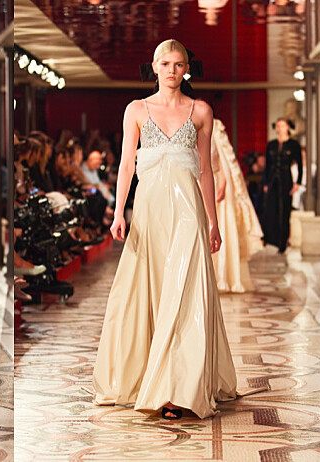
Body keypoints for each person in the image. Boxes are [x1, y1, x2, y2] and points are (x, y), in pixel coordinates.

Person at [92, 39, 238, 420]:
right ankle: (152, 377)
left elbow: (205, 170)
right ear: (154, 66)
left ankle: (176, 390)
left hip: (189, 213)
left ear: (187, 68)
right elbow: (126, 165)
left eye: (178, 64)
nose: (172, 70)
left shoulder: (201, 111)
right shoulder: (136, 110)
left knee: (185, 294)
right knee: (152, 292)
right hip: (149, 213)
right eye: (165, 63)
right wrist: (118, 212)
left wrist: (213, 221)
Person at [210, 118, 263, 292]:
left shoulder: (215, 127)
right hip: (195, 183)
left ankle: (222, 277)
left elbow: (225, 160)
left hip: (216, 182)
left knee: (220, 227)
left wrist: (223, 185)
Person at [261, 117, 302, 253]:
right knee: (271, 208)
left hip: (286, 178)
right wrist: (265, 182)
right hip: (272, 178)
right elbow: (267, 165)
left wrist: (297, 182)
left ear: (288, 127)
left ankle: (283, 241)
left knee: (285, 209)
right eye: (278, 126)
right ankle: (270, 239)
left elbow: (300, 164)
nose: (280, 128)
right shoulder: (271, 144)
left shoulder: (294, 145)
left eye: (283, 126)